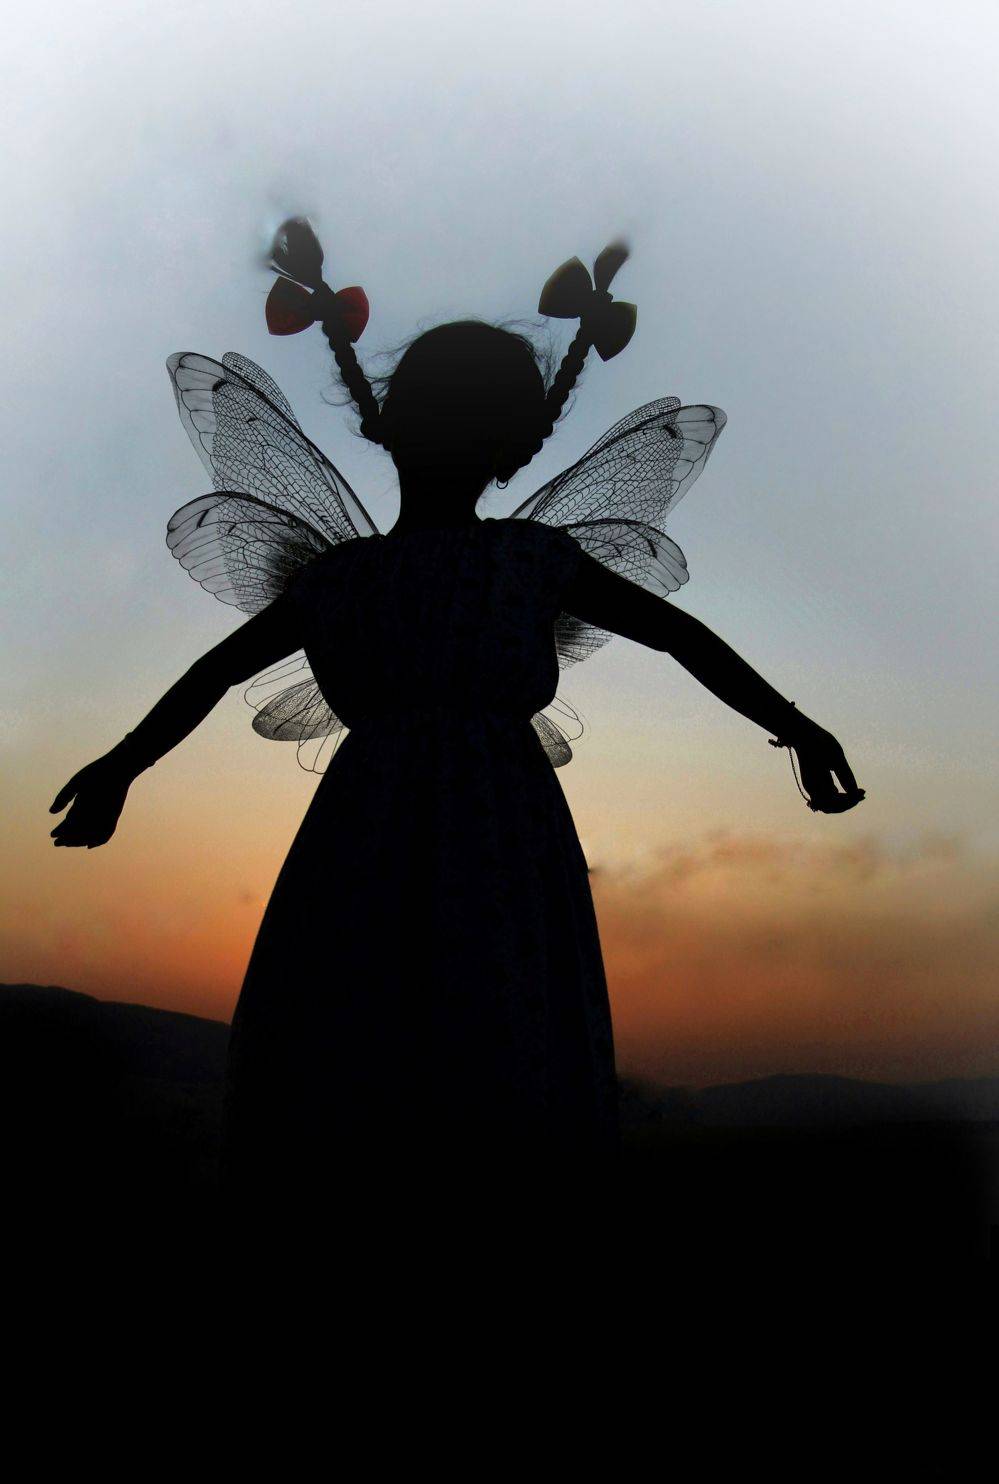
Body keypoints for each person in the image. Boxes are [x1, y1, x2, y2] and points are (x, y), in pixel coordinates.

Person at [49, 225, 864, 1237]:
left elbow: (213, 674)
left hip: (379, 822)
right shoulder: (513, 562)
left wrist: (122, 766)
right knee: (492, 1017)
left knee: (361, 1016)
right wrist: (796, 727)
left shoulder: (365, 577)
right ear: (513, 447)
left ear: (386, 427)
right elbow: (677, 636)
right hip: (494, 820)